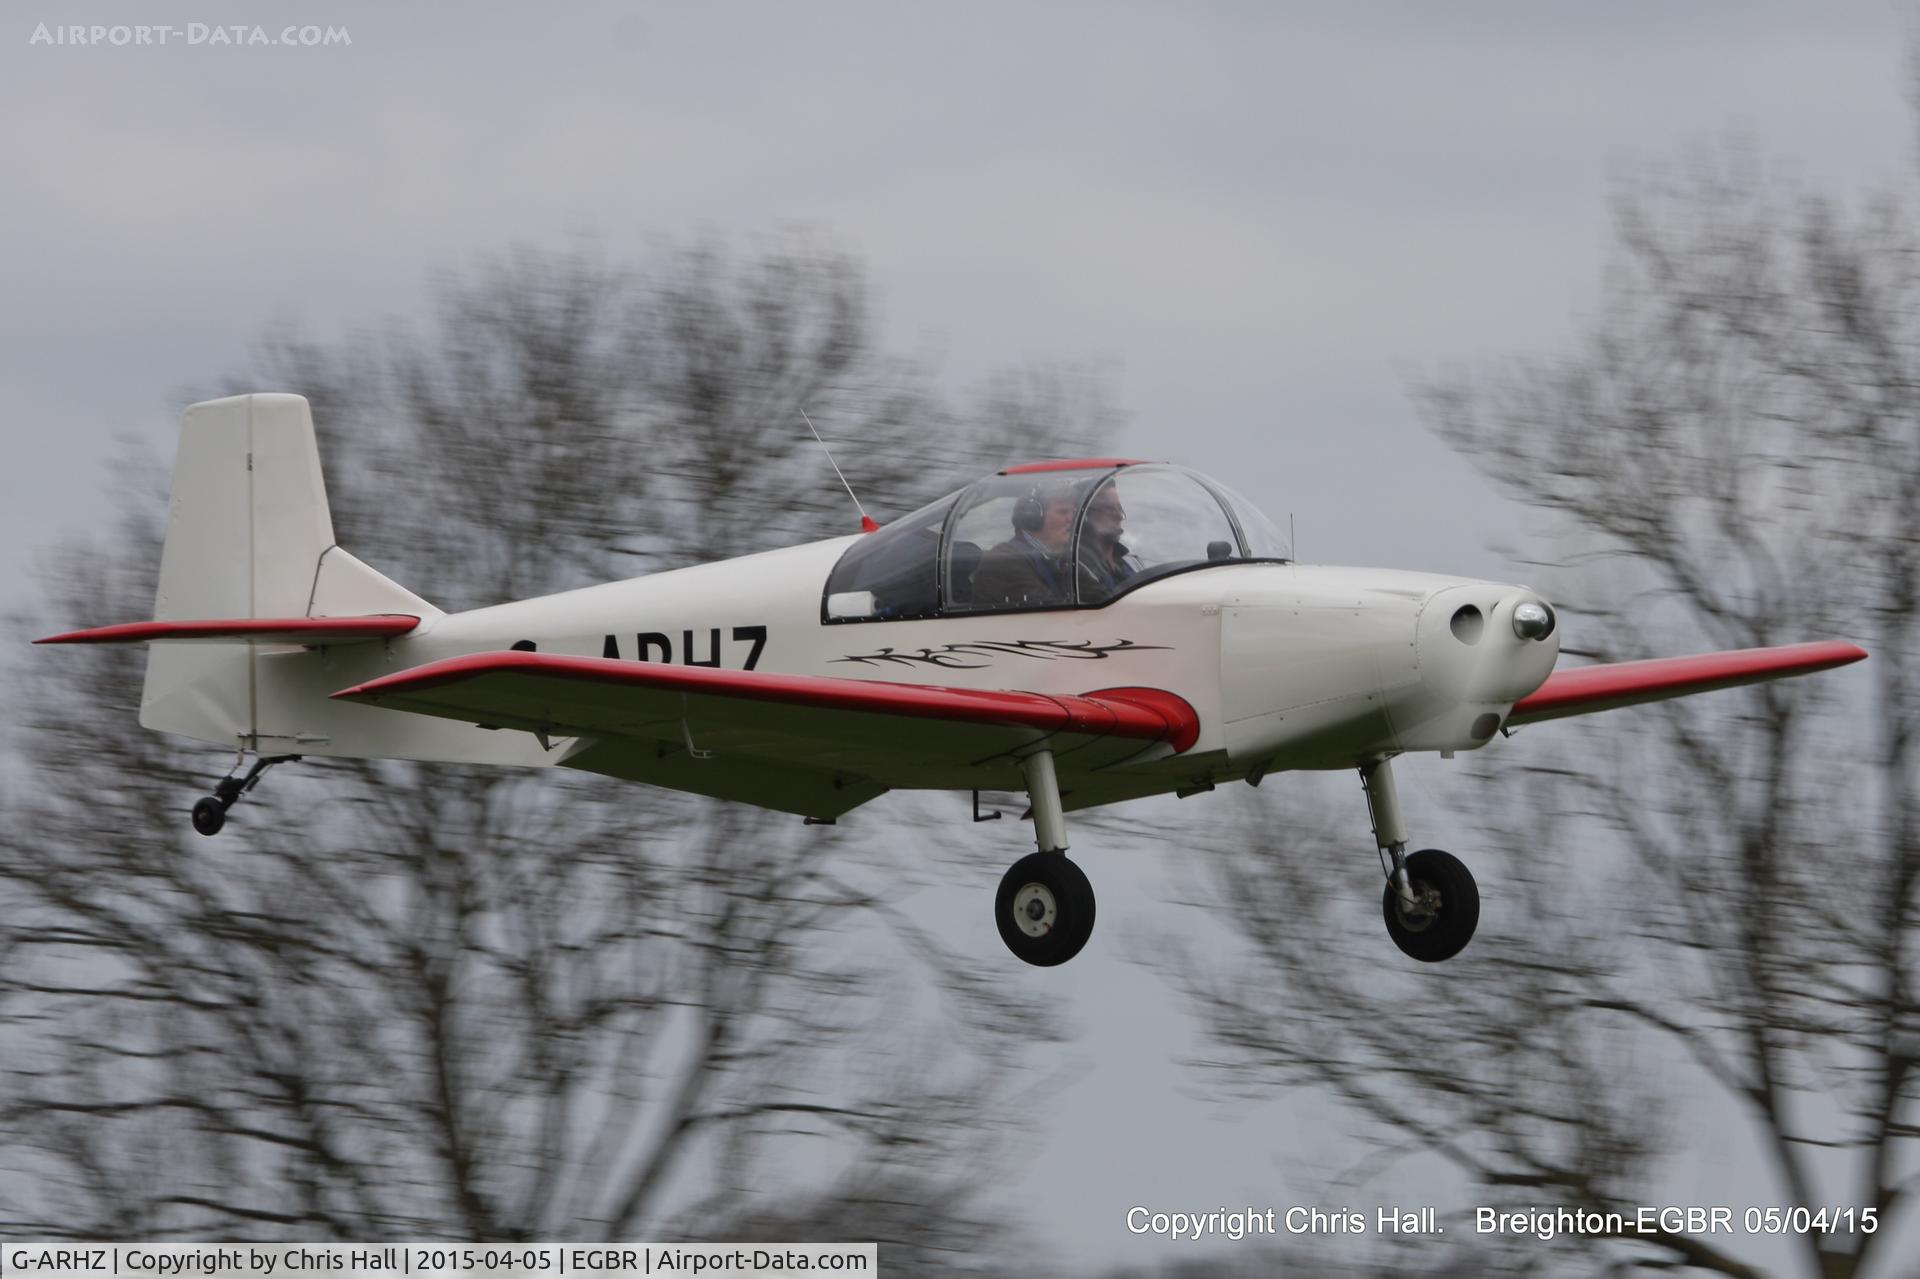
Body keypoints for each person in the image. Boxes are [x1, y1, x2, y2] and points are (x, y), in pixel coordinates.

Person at [969, 486, 1076, 608]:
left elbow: (1093, 595)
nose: (1071, 519)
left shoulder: (1063, 556)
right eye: (1063, 512)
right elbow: (1052, 611)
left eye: (1074, 512)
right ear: (1033, 517)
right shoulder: (1004, 561)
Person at [1076, 477, 1138, 600]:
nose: (1119, 516)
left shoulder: (1129, 562)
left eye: (1119, 508)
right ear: (1086, 516)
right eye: (1109, 508)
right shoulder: (1080, 569)